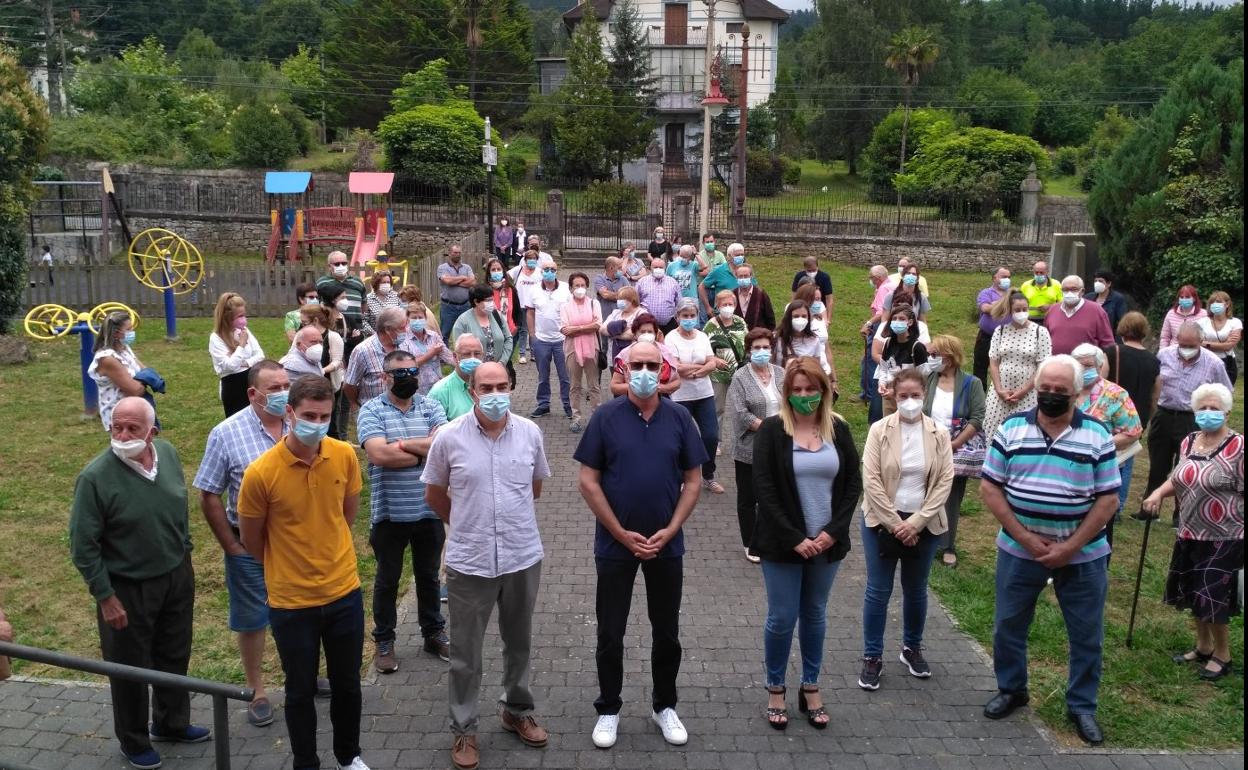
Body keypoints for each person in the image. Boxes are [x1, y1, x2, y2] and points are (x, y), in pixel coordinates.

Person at [980, 356, 1120, 747]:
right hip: (1018, 548)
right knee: (1008, 625)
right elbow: (990, 488)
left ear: (1077, 393)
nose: (1052, 396)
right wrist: (1025, 538)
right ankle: (1012, 689)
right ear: (1037, 388)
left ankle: (1082, 705)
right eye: (1047, 389)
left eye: (1061, 391)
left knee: (1086, 633)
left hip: (1083, 553)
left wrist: (1071, 547)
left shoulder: (1097, 434)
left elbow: (1108, 499)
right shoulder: (1011, 429)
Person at [575, 340, 708, 749]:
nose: (645, 371)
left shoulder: (680, 418)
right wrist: (617, 531)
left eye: (653, 364)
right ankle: (609, 709)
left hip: (666, 544)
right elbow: (588, 480)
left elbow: (694, 480)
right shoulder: (606, 417)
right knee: (610, 632)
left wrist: (671, 528)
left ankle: (664, 705)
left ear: (665, 369)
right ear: (625, 368)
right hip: (616, 545)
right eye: (638, 364)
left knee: (666, 631)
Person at [422, 361, 551, 770]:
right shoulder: (448, 437)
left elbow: (535, 488)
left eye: (502, 385)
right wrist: (465, 523)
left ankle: (516, 709)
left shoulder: (530, 433)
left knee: (519, 642)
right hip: (470, 561)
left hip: (520, 555)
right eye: (486, 387)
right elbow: (435, 495)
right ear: (472, 389)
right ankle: (464, 729)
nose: (495, 393)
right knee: (465, 653)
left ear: (511, 386)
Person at [237, 375, 369, 770]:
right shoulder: (261, 473)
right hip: (292, 603)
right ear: (289, 412)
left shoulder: (344, 455)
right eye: (309, 415)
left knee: (347, 685)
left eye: (325, 416)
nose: (317, 423)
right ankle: (305, 762)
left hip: (344, 592)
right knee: (299, 691)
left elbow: (346, 515)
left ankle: (349, 756)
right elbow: (253, 540)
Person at [70, 398, 206, 769]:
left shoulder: (168, 455)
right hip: (127, 588)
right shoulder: (95, 478)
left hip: (175, 575)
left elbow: (177, 506)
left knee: (174, 653)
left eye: (133, 429)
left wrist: (185, 554)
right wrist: (105, 596)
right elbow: (83, 546)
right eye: (117, 427)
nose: (124, 435)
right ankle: (133, 740)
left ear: (153, 432)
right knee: (128, 666)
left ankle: (171, 722)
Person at [752, 357, 861, 730]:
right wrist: (795, 537)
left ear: (823, 390)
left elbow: (852, 486)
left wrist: (832, 532)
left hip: (827, 543)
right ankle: (776, 688)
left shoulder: (838, 430)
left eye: (810, 389)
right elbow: (764, 490)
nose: (803, 396)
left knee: (815, 615)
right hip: (783, 544)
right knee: (782, 617)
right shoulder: (771, 431)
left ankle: (811, 685)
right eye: (796, 390)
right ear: (787, 393)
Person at [193, 361, 289, 728]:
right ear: (253, 393)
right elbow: (209, 494)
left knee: (300, 613)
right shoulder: (226, 433)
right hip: (249, 545)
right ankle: (257, 690)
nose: (283, 394)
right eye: (274, 388)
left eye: (286, 385)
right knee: (253, 619)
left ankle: (304, 678)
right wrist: (232, 547)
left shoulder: (300, 423)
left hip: (296, 543)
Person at [857, 368, 953, 691]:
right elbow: (870, 479)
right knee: (878, 590)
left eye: (915, 396)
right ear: (892, 396)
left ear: (924, 395)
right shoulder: (878, 430)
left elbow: (944, 482)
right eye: (903, 396)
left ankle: (912, 648)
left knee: (916, 589)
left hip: (924, 523)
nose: (909, 402)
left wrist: (916, 522)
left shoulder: (939, 433)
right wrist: (895, 523)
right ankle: (872, 656)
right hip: (882, 521)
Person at [1142, 383, 1243, 682]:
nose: (1208, 413)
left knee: (1212, 593)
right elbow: (1179, 476)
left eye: (1214, 408)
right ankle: (1203, 646)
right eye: (1203, 408)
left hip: (1226, 534)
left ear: (1226, 411)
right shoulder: (1189, 441)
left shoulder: (1238, 446)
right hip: (1189, 530)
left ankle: (1223, 655)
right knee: (1193, 588)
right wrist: (1158, 493)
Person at [358, 350, 450, 674]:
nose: (409, 377)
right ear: (385, 377)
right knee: (388, 580)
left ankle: (433, 632)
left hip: (428, 509)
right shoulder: (371, 409)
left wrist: (400, 445)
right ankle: (384, 640)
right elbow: (379, 454)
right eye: (400, 373)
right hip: (390, 513)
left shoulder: (431, 405)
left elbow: (444, 447)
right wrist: (421, 451)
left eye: (413, 371)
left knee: (428, 577)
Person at [1140, 321, 1233, 522]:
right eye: (1183, 344)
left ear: (1201, 341)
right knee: (1157, 465)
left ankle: (1180, 516)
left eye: (1191, 345)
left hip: (1191, 419)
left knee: (1187, 467)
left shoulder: (1214, 363)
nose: (1186, 350)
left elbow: (1226, 391)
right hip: (1164, 415)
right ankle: (1149, 510)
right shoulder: (1164, 355)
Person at [923, 335, 986, 569]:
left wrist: (956, 443)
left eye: (934, 355)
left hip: (955, 447)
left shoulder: (972, 384)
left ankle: (948, 545)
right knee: (924, 489)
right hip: (927, 443)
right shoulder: (927, 377)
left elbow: (978, 418)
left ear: (948, 358)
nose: (930, 359)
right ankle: (924, 535)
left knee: (951, 495)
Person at [1072, 343, 1143, 544]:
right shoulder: (1068, 390)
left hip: (1102, 468)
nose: (1084, 370)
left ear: (1099, 365)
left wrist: (1100, 446)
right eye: (1079, 366)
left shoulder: (1115, 394)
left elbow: (1133, 432)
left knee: (1100, 523)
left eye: (1088, 365)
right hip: (1067, 468)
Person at [727, 329, 784, 562]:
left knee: (774, 494)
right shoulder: (740, 377)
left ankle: (773, 536)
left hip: (780, 444)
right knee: (748, 497)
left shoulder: (781, 373)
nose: (762, 352)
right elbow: (741, 414)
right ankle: (750, 542)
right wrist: (769, 429)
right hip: (750, 446)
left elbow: (790, 403)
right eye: (756, 348)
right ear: (749, 350)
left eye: (766, 348)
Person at [666, 298, 726, 493]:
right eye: (685, 316)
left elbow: (712, 361)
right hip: (681, 396)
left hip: (704, 393)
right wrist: (704, 368)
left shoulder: (702, 337)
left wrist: (698, 371)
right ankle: (683, 476)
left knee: (710, 436)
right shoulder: (671, 338)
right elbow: (677, 367)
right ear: (677, 318)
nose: (689, 319)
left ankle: (708, 475)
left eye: (692, 315)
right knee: (682, 438)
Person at [982, 292, 1052, 441]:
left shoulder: (1040, 332)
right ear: (1009, 311)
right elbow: (993, 362)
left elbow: (1042, 366)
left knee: (1024, 434)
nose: (1022, 313)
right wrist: (999, 389)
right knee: (994, 432)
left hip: (1028, 392)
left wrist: (1023, 391)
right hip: (1000, 392)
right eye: (1017, 310)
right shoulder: (1000, 331)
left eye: (1025, 309)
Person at [528, 259, 573, 421]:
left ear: (557, 271)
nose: (549, 271)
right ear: (541, 271)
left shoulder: (565, 289)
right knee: (542, 376)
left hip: (561, 339)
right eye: (546, 269)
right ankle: (543, 404)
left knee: (565, 376)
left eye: (552, 269)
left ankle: (568, 405)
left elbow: (571, 311)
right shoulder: (533, 290)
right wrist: (532, 335)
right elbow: (530, 312)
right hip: (541, 340)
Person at [208, 292, 266, 417]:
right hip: (233, 386)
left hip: (251, 380)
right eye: (239, 316)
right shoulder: (216, 338)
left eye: (244, 315)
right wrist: (241, 345)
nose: (244, 319)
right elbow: (230, 366)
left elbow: (260, 355)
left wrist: (246, 362)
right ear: (227, 318)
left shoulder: (244, 331)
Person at [343, 307, 415, 409]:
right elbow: (350, 385)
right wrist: (356, 406)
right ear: (388, 330)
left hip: (402, 410)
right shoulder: (362, 351)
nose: (406, 331)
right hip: (374, 412)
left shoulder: (405, 345)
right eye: (402, 328)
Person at [1104, 312, 1162, 435]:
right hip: (1137, 420)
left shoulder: (1112, 352)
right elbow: (1155, 397)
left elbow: (1100, 383)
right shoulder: (1154, 360)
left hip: (1112, 416)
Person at [88, 311, 145, 432]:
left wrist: (145, 379)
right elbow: (135, 390)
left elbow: (144, 370)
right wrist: (148, 380)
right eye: (128, 330)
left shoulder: (124, 348)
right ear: (116, 334)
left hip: (135, 409)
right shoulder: (107, 359)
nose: (132, 333)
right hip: (120, 419)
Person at [560, 271, 603, 433]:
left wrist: (576, 328)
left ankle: (596, 417)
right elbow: (565, 329)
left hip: (592, 349)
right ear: (571, 288)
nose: (580, 288)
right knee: (575, 385)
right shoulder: (565, 306)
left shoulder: (594, 304)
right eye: (576, 286)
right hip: (572, 350)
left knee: (594, 385)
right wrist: (586, 327)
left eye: (582, 285)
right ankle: (576, 417)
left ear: (587, 287)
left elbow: (598, 324)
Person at [872, 305, 928, 421]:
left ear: (910, 322)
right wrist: (882, 384)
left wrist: (896, 391)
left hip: (909, 397)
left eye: (902, 319)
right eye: (894, 318)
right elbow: (883, 367)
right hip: (888, 395)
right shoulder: (888, 343)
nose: (897, 321)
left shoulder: (917, 347)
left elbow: (923, 377)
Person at [607, 313, 682, 398]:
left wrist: (662, 388)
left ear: (656, 334)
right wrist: (638, 388)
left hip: (660, 400)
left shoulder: (666, 353)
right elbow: (614, 387)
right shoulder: (624, 355)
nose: (646, 334)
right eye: (642, 332)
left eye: (650, 332)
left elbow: (677, 382)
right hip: (631, 400)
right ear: (635, 334)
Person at [704, 289, 747, 435]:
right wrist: (714, 360)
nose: (727, 307)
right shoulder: (710, 325)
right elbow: (702, 349)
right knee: (718, 408)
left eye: (730, 304)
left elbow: (747, 342)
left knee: (743, 407)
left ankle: (744, 438)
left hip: (740, 372)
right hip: (719, 374)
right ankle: (716, 440)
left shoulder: (740, 322)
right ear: (718, 306)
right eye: (724, 304)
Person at [1044, 275, 1114, 355]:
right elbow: (1045, 339)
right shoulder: (1053, 310)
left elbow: (1107, 343)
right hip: (1057, 364)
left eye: (1074, 289)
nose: (1069, 293)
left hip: (1086, 365)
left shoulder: (1096, 310)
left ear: (1082, 291)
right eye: (1065, 290)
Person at [859, 265, 898, 403]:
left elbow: (881, 312)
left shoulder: (883, 289)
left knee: (870, 359)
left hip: (881, 325)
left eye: (872, 278)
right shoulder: (894, 285)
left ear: (878, 278)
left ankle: (868, 393)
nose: (871, 280)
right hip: (894, 326)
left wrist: (868, 323)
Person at [451, 286, 513, 365]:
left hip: (498, 369)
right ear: (476, 301)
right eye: (488, 300)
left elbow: (508, 339)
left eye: (492, 299)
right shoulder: (462, 321)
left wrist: (502, 362)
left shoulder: (497, 316)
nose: (492, 304)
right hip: (474, 372)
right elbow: (459, 349)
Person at [429, 334, 485, 421]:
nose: (472, 358)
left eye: (477, 354)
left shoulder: (492, 386)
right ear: (455, 357)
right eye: (467, 354)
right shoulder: (440, 392)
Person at [974, 267, 1013, 387]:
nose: (1007, 279)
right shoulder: (986, 293)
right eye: (1004, 277)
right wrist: (1006, 304)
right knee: (980, 367)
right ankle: (979, 395)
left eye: (1008, 277)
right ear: (994, 278)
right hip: (987, 337)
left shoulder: (1013, 294)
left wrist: (995, 305)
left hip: (1007, 337)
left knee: (1005, 368)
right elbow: (985, 308)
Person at [406, 300, 455, 395]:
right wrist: (431, 353)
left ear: (425, 318)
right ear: (408, 319)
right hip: (416, 389)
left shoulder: (434, 336)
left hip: (436, 387)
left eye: (420, 317)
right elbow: (408, 365)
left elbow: (448, 357)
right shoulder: (403, 340)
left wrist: (463, 365)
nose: (417, 320)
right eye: (414, 318)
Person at [774, 299, 830, 374]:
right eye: (796, 316)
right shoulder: (777, 338)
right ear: (789, 318)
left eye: (804, 316)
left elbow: (816, 368)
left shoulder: (814, 340)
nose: (800, 319)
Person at [1197, 291, 1242, 384]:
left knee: (1225, 393)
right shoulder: (1201, 322)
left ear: (1227, 304)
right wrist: (1224, 343)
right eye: (1212, 302)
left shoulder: (1235, 322)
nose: (1214, 304)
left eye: (1218, 302)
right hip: (1205, 361)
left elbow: (1228, 346)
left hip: (1227, 362)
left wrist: (1205, 343)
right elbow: (1196, 342)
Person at [316, 251, 367, 331]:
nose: (341, 266)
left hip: (356, 329)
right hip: (331, 329)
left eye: (344, 263)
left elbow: (364, 305)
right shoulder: (322, 283)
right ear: (329, 266)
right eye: (337, 264)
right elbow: (317, 305)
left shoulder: (358, 282)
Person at [508, 249, 544, 363]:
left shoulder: (540, 272)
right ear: (525, 260)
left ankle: (534, 353)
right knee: (523, 330)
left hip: (535, 306)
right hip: (521, 305)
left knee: (534, 330)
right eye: (529, 259)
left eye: (534, 259)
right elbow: (507, 276)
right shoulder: (518, 270)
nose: (531, 261)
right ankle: (522, 353)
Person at [437, 244, 476, 340]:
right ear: (449, 253)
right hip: (448, 307)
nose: (458, 255)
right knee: (445, 334)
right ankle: (444, 355)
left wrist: (453, 281)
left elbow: (472, 282)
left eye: (459, 253)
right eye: (455, 252)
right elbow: (447, 281)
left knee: (467, 334)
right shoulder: (442, 268)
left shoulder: (467, 267)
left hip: (465, 306)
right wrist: (463, 278)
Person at [484, 257, 521, 352]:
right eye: (493, 270)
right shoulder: (484, 291)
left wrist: (516, 327)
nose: (496, 271)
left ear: (503, 271)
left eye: (498, 269)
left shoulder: (511, 290)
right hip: (491, 334)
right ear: (489, 273)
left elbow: (517, 312)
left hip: (511, 332)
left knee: (506, 360)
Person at [602, 286, 649, 360]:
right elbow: (602, 329)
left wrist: (613, 334)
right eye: (618, 299)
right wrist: (625, 330)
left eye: (622, 299)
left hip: (633, 356)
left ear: (632, 300)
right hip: (614, 355)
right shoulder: (616, 313)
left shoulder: (641, 314)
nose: (619, 302)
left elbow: (633, 334)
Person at [696, 243, 743, 316]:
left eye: (742, 255)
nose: (740, 257)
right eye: (737, 255)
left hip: (741, 312)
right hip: (722, 313)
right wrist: (708, 307)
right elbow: (701, 287)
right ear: (729, 256)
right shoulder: (718, 270)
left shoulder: (746, 270)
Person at [636, 258, 682, 333]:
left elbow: (679, 303)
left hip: (668, 325)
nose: (658, 269)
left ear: (665, 268)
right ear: (650, 268)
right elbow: (636, 302)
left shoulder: (673, 282)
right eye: (655, 267)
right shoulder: (642, 282)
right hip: (647, 325)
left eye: (661, 267)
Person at [1159, 284, 1208, 349]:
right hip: (1173, 351)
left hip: (1195, 351)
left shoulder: (1203, 314)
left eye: (1187, 297)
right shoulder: (1171, 314)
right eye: (1181, 297)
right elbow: (1165, 337)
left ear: (1194, 299)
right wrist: (1163, 352)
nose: (1184, 299)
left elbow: (1207, 336)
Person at [1084, 269, 1128, 337]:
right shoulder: (1087, 298)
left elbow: (1122, 321)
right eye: (1095, 281)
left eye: (1101, 281)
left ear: (1109, 284)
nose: (1097, 283)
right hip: (1090, 337)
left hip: (1109, 338)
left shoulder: (1118, 299)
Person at [734, 262, 775, 331]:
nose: (743, 278)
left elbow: (770, 319)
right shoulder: (733, 295)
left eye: (746, 276)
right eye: (740, 276)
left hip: (758, 336)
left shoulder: (761, 294)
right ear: (736, 277)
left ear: (751, 276)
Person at [363, 269, 402, 337]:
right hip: (375, 337)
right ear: (376, 283)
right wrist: (374, 335)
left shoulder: (397, 297)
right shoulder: (368, 299)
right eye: (383, 282)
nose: (386, 284)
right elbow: (363, 321)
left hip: (396, 336)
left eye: (388, 282)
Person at [593, 256, 631, 321]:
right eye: (619, 268)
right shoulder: (599, 279)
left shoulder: (623, 279)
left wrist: (610, 294)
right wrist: (622, 295)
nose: (622, 270)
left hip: (621, 318)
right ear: (611, 268)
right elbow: (605, 295)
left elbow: (630, 295)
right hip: (604, 318)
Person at [666, 245, 702, 310]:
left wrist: (696, 253)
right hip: (676, 298)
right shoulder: (671, 265)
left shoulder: (694, 265)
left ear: (690, 257)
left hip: (691, 299)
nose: (683, 258)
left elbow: (704, 267)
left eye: (685, 257)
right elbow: (667, 282)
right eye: (681, 256)